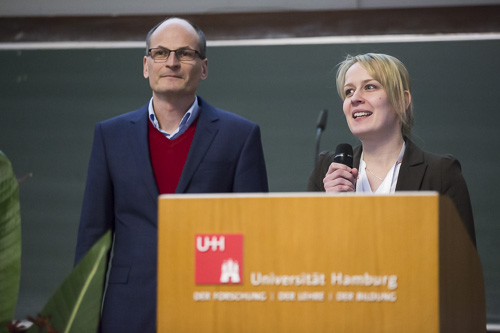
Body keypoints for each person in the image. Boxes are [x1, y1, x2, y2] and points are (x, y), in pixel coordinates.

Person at [74, 17, 268, 333]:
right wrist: (80, 318)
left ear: (203, 68)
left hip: (210, 305)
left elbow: (253, 233)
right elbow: (93, 234)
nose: (172, 63)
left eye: (185, 53)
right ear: (146, 65)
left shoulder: (239, 135)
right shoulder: (111, 135)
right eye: (161, 53)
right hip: (128, 308)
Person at [308, 53, 476, 245]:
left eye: (370, 87)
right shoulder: (327, 169)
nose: (354, 98)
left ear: (402, 101)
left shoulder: (440, 173)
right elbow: (305, 257)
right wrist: (327, 209)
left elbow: (462, 265)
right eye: (349, 91)